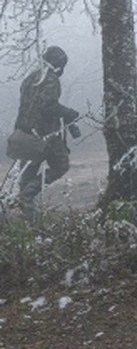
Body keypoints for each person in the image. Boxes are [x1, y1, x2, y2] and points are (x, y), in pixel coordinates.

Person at [12, 45, 81, 219]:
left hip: (24, 132)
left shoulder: (30, 78)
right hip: (45, 134)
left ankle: (28, 223)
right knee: (61, 165)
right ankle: (28, 196)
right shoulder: (49, 79)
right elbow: (48, 106)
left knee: (26, 176)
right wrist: (67, 113)